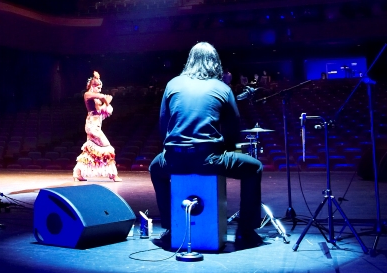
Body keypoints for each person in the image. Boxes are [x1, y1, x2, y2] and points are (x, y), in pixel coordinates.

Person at [149, 42, 264, 248]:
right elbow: (233, 129)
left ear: (190, 61)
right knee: (254, 168)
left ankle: (170, 228)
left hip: (174, 158)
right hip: (209, 159)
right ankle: (246, 231)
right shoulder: (222, 88)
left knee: (155, 168)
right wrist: (224, 150)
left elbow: (163, 126)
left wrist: (174, 151)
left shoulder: (172, 84)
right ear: (215, 63)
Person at [72, 71, 122, 182]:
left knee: (89, 151)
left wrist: (106, 101)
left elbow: (103, 108)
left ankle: (77, 173)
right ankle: (113, 174)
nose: (99, 88)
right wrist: (107, 101)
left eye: (100, 86)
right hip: (92, 126)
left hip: (95, 126)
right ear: (92, 85)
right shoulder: (87, 94)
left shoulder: (96, 98)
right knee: (108, 148)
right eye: (97, 86)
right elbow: (103, 98)